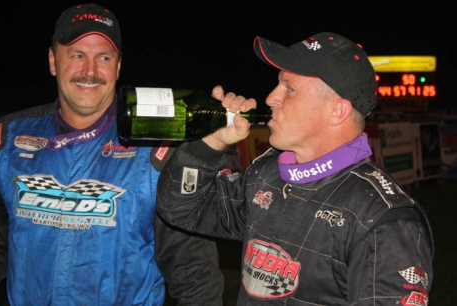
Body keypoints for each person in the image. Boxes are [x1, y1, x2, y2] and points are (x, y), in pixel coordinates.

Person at [155, 32, 434, 305]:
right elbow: (182, 210)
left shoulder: (383, 218)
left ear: (337, 111)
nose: (270, 98)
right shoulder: (268, 172)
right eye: (278, 85)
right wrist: (209, 144)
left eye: (290, 89)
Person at [0, 3, 223, 305]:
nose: (89, 71)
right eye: (77, 55)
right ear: (53, 61)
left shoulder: (157, 150)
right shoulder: (7, 138)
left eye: (103, 57)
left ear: (117, 67)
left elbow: (195, 276)